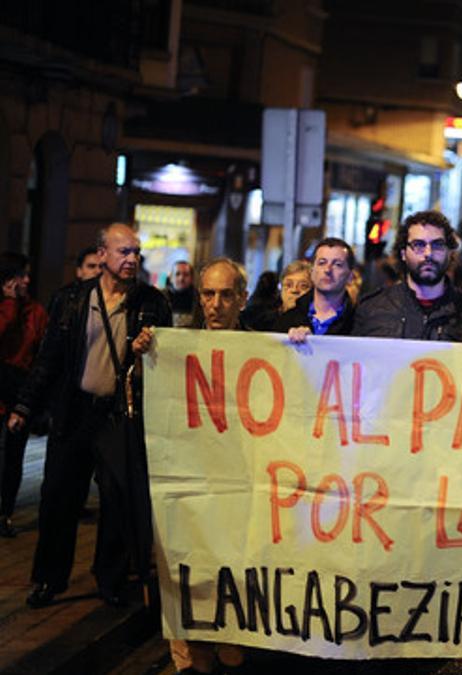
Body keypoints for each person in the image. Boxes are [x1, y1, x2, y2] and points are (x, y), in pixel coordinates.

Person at [8, 223, 172, 608]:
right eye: (123, 252)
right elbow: (48, 360)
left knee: (116, 500)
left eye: (135, 252)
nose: (131, 259)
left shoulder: (152, 303)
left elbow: (167, 365)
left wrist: (150, 349)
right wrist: (24, 407)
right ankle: (50, 579)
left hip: (119, 414)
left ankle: (110, 578)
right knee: (58, 498)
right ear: (102, 255)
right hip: (74, 411)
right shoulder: (70, 300)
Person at [169, 257, 248, 673]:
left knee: (231, 577)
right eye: (207, 294)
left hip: (239, 488)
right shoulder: (174, 349)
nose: (215, 304)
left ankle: (231, 653)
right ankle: (189, 661)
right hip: (188, 486)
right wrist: (147, 354)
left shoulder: (263, 349)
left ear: (242, 299)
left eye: (225, 295)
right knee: (187, 576)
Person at [352, 210, 462, 342]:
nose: (428, 253)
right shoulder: (372, 309)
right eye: (418, 245)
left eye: (437, 245)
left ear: (449, 253)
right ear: (403, 253)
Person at [0, 253, 49, 537]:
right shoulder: (7, 307)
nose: (27, 280)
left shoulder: (36, 312)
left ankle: (5, 512)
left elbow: (41, 355)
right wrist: (9, 304)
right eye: (22, 275)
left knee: (13, 456)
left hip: (20, 395)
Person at [275, 237, 357, 338]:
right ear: (312, 272)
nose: (327, 270)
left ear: (350, 277)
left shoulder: (360, 324)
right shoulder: (286, 320)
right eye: (322, 263)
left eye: (337, 264)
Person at [165, 260, 195, 326]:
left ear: (192, 278)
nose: (181, 278)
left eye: (186, 275)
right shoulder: (161, 298)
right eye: (177, 274)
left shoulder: (199, 299)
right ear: (171, 277)